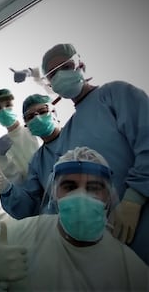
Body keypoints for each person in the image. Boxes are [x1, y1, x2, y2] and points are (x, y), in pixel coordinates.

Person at [0, 147, 148, 291]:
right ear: (54, 194)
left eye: (93, 188)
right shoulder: (17, 236)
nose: (80, 197)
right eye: (69, 187)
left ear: (109, 196)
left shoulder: (129, 269)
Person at [41, 43, 149, 265]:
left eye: (66, 66)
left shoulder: (115, 95)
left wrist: (134, 199)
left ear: (81, 64)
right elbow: (60, 187)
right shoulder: (69, 131)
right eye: (52, 74)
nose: (60, 75)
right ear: (50, 85)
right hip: (100, 240)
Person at [0, 93, 62, 218]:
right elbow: (29, 195)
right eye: (30, 116)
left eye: (43, 111)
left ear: (54, 112)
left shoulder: (75, 136)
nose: (37, 118)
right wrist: (6, 188)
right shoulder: (37, 161)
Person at [0, 88, 40, 185]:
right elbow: (14, 182)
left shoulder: (34, 132)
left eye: (8, 105)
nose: (4, 110)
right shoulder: (1, 147)